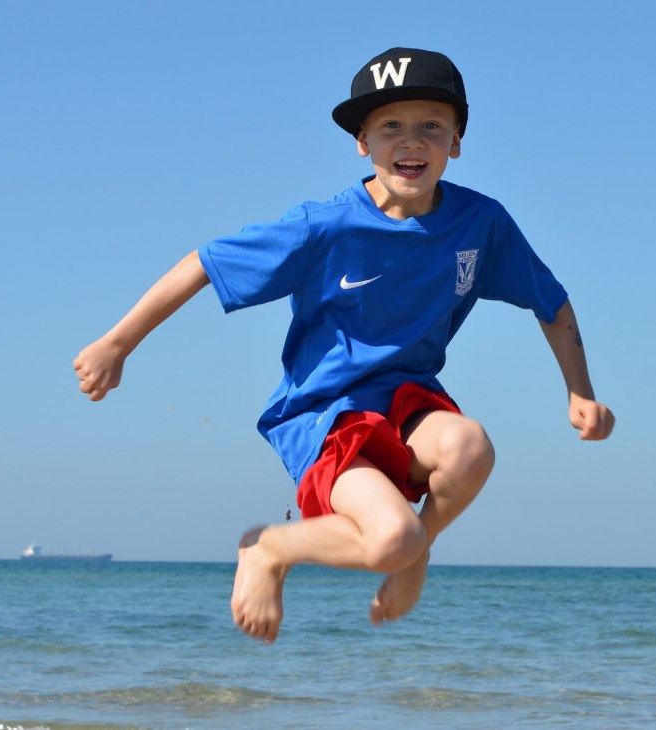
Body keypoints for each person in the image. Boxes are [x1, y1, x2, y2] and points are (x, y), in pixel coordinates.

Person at [73, 48, 614, 643]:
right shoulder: (324, 226)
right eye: (391, 127)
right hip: (325, 415)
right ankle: (268, 549)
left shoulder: (480, 224)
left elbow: (551, 301)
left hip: (408, 402)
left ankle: (417, 553)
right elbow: (205, 263)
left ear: (456, 141)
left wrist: (579, 393)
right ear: (363, 141)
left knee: (470, 446)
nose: (412, 142)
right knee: (392, 540)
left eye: (431, 125)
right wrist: (116, 343)